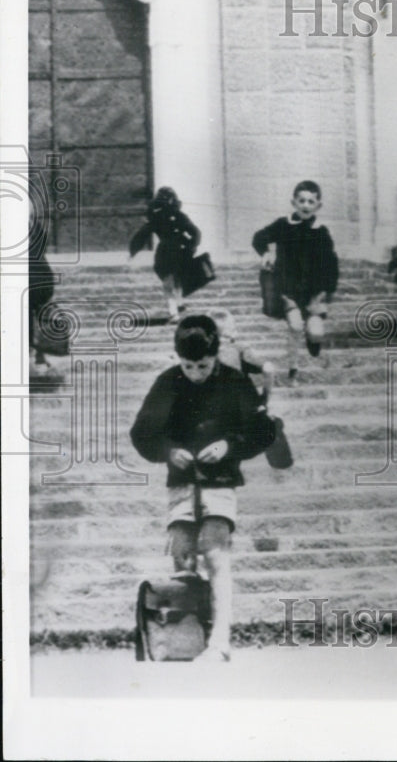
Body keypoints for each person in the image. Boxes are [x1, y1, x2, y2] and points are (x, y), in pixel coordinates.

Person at [130, 314, 274, 661]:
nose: (195, 373)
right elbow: (142, 432)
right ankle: (186, 636)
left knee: (215, 553)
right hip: (182, 481)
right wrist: (168, 450)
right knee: (181, 553)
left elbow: (262, 430)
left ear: (216, 356)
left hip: (220, 481)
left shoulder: (234, 382)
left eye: (203, 366)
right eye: (189, 366)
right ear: (179, 358)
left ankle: (220, 641)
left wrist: (229, 446)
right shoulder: (168, 382)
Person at [252, 180, 339, 382]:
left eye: (311, 201)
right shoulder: (283, 225)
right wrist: (265, 252)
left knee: (315, 332)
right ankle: (293, 368)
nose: (306, 205)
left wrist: (326, 290)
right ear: (294, 202)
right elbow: (259, 237)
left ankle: (313, 339)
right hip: (288, 288)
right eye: (301, 201)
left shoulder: (322, 231)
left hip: (314, 292)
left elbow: (331, 263)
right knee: (295, 326)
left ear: (318, 205)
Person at [129, 187, 201, 322]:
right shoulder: (179, 216)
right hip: (180, 251)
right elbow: (195, 232)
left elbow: (142, 235)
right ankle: (179, 305)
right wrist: (191, 246)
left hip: (166, 253)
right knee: (177, 280)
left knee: (168, 283)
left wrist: (133, 250)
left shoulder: (157, 217)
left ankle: (174, 311)